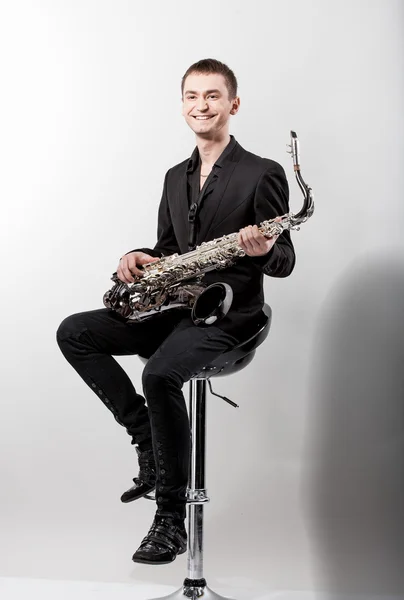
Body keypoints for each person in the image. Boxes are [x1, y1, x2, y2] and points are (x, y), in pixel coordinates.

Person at [56, 58, 296, 566]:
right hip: (180, 305)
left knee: (161, 372)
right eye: (191, 96)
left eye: (212, 96)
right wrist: (140, 258)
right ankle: (146, 439)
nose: (200, 105)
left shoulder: (263, 172)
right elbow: (170, 248)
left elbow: (285, 261)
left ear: (233, 104)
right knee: (75, 332)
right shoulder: (174, 176)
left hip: (233, 314)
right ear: (182, 104)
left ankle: (169, 519)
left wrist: (260, 250)